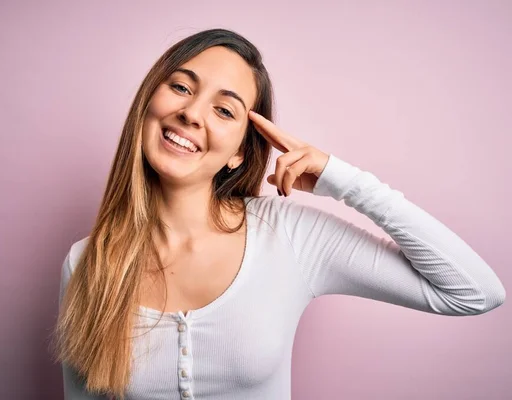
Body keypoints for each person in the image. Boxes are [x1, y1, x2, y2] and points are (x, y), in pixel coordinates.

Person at [51, 28, 506, 400]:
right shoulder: (86, 262)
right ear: (149, 102)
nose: (191, 113)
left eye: (224, 110)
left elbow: (473, 291)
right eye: (181, 87)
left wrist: (340, 179)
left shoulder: (287, 235)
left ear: (239, 153)